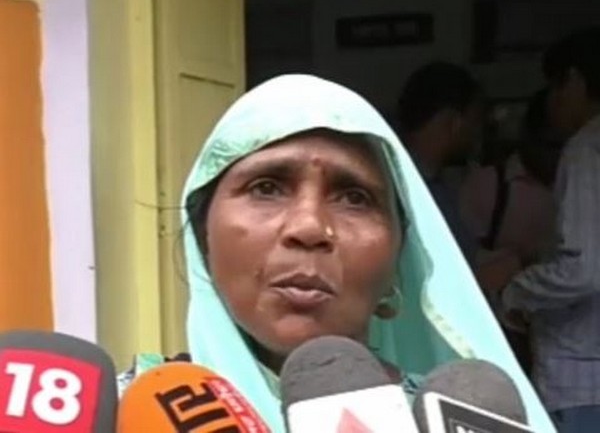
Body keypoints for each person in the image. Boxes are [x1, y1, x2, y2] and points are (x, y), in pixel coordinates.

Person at [120, 74, 554, 432]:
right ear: (203, 237)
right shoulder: (117, 414)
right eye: (266, 188)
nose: (310, 227)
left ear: (397, 268)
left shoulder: (465, 420)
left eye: (355, 198)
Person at [500, 28, 600, 433]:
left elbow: (584, 269)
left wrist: (516, 292)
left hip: (582, 380)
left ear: (574, 81)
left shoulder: (586, 150)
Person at [461, 88, 564, 375]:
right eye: (551, 144)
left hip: (567, 332)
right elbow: (465, 268)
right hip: (504, 330)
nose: (558, 155)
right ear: (529, 138)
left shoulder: (582, 182)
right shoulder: (488, 185)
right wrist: (517, 261)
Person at [398, 62, 485, 266]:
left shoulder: (438, 187)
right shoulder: (404, 194)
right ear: (454, 122)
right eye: (476, 120)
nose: (478, 133)